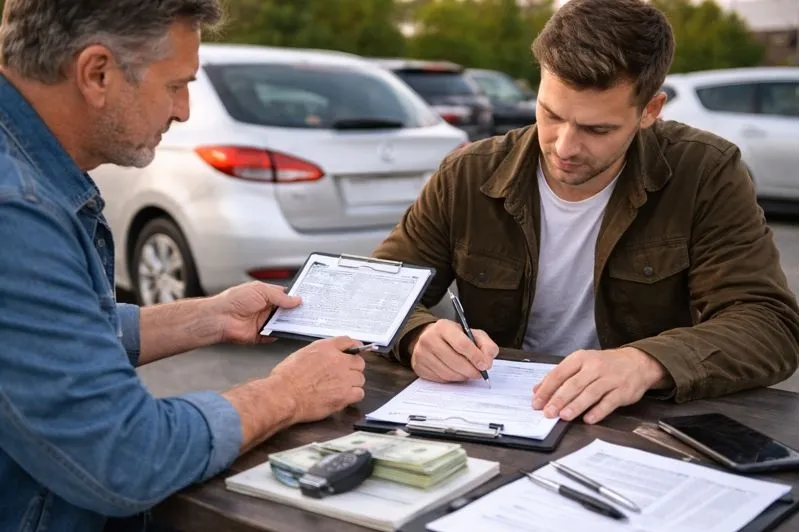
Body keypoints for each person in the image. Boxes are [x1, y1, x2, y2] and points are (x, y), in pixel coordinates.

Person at [0, 2, 366, 531]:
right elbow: (127, 457)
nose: (184, 111)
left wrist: (209, 318)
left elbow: (52, 335)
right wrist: (288, 394)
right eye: (176, 85)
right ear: (97, 73)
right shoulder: (17, 210)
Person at [373, 0, 799, 426]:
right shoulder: (468, 174)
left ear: (650, 110)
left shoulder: (705, 172)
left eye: (597, 130)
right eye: (550, 115)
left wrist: (644, 363)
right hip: (499, 417)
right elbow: (367, 290)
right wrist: (416, 335)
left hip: (638, 428)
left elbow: (769, 326)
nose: (564, 147)